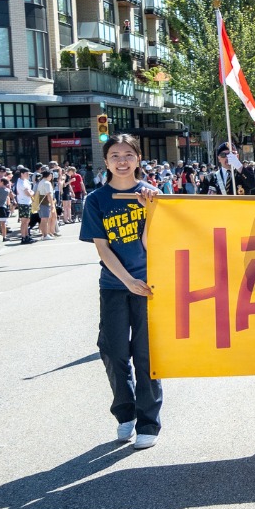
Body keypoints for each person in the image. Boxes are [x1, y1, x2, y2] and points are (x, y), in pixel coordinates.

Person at [80, 134, 160, 450]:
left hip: (150, 286)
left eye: (128, 154)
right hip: (115, 285)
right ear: (106, 161)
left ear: (138, 158)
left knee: (146, 355)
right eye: (115, 155)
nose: (122, 161)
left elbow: (153, 244)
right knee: (113, 351)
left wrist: (151, 211)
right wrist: (127, 280)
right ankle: (125, 413)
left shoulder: (153, 195)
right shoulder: (96, 200)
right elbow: (103, 248)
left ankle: (148, 422)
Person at [13, 166, 35, 244]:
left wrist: (31, 192)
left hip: (28, 202)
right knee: (24, 221)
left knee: (27, 220)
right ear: (22, 174)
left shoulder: (26, 181)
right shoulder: (20, 182)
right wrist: (32, 193)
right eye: (26, 173)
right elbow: (28, 193)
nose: (28, 175)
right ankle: (23, 237)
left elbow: (30, 191)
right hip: (23, 203)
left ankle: (27, 235)